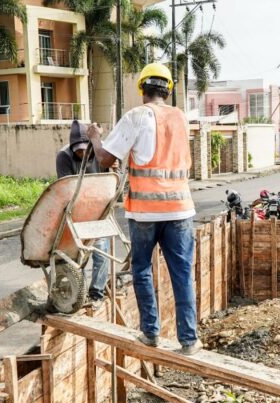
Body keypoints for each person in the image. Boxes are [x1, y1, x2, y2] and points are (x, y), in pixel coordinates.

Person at [87, 62, 201, 356]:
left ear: (142, 90)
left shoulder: (136, 116)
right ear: (168, 90)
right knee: (182, 272)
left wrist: (94, 136)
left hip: (145, 213)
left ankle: (150, 332)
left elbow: (104, 159)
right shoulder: (181, 118)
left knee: (141, 269)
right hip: (180, 210)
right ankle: (189, 340)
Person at [56, 120, 111, 302]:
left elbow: (109, 179)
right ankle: (80, 295)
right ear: (72, 147)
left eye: (85, 148)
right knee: (80, 255)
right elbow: (67, 189)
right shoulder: (64, 156)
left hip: (98, 208)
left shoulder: (99, 151)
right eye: (78, 150)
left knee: (102, 252)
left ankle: (96, 293)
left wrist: (112, 168)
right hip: (77, 211)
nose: (82, 152)